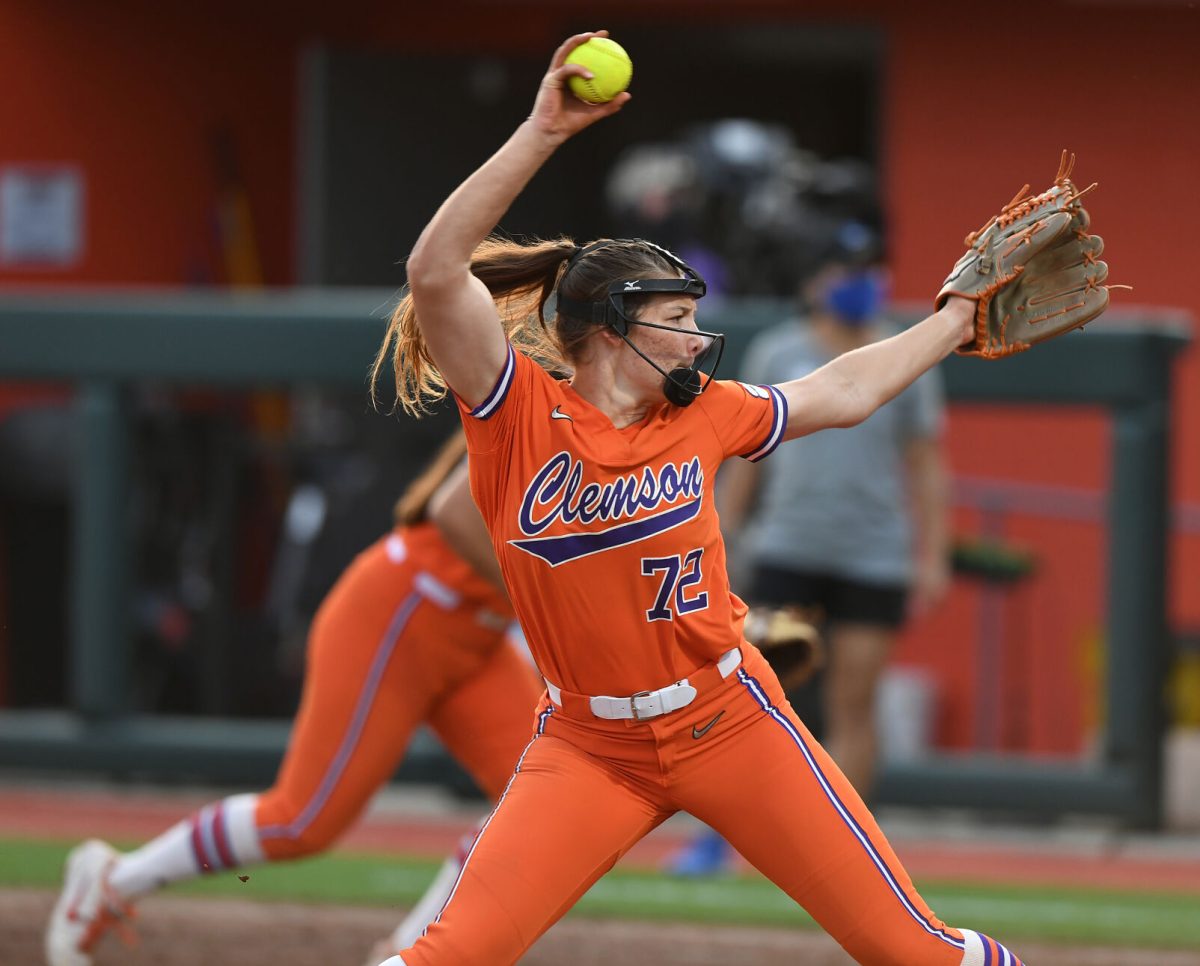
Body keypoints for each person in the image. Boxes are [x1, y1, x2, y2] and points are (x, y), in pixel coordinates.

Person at [368, 30, 1024, 966]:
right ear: (606, 332)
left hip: (730, 724)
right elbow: (436, 272)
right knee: (446, 955)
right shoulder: (518, 414)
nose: (695, 339)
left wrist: (954, 320)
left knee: (913, 952)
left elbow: (844, 390)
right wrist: (543, 132)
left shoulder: (709, 413)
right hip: (589, 746)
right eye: (674, 322)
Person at [43, 429, 544, 966]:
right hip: (404, 613)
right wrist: (555, 592)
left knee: (537, 801)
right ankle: (114, 879)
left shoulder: (638, 421)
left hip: (479, 634)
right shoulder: (558, 399)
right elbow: (452, 511)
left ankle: (412, 950)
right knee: (301, 822)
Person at [667, 254, 951, 875]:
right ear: (812, 279)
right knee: (740, 698)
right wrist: (721, 532)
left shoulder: (902, 355)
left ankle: (840, 850)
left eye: (870, 268)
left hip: (874, 552)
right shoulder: (779, 349)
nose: (858, 282)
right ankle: (726, 839)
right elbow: (744, 449)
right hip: (787, 546)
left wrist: (932, 554)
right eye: (843, 268)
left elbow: (927, 462)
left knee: (854, 699)